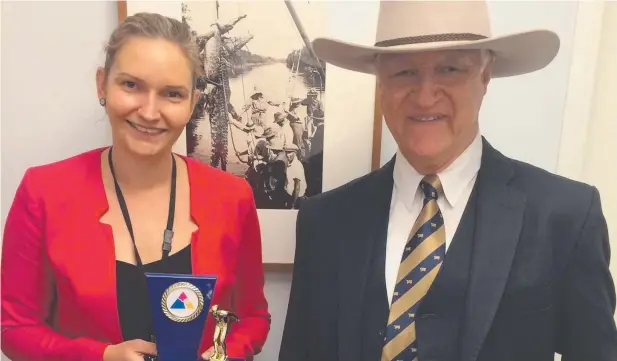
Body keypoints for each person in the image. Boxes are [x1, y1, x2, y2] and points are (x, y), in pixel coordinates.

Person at [280, 2, 617, 361]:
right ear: (380, 83)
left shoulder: (564, 216)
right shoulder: (325, 221)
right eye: (404, 72)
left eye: (450, 69)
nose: (425, 96)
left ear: (485, 76)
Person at [1, 12, 270, 361]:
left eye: (172, 94)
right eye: (131, 85)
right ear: (102, 84)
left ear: (192, 102)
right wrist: (101, 357)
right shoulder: (44, 193)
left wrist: (222, 355)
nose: (149, 111)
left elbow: (252, 318)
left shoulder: (232, 197)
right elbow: (15, 329)